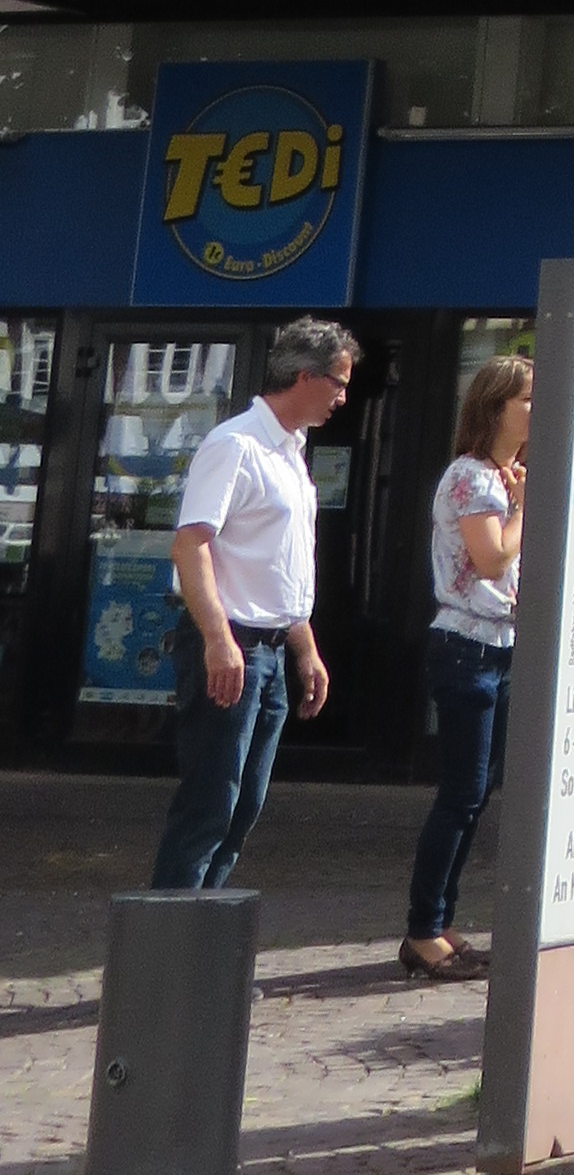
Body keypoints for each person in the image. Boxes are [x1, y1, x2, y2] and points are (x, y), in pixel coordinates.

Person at [150, 318, 358, 893]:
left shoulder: (290, 451)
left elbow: (279, 564)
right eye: (338, 383)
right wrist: (218, 639)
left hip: (269, 651)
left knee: (242, 810)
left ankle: (205, 936)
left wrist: (305, 648)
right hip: (232, 645)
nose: (344, 397)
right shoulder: (236, 445)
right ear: (304, 376)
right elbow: (191, 544)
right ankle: (170, 938)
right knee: (210, 806)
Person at [400, 354, 530, 981]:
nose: (537, 410)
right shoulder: (473, 476)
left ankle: (441, 920)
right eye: (527, 399)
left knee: (475, 795)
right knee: (460, 794)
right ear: (495, 407)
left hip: (501, 646)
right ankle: (423, 928)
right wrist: (527, 508)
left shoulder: (504, 476)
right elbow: (491, 558)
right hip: (467, 647)